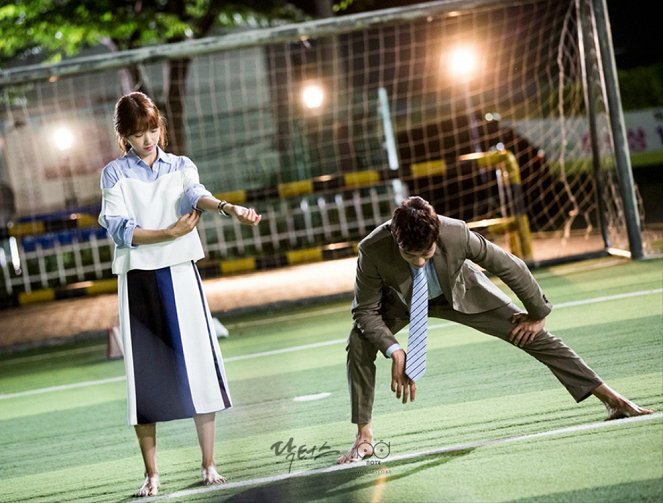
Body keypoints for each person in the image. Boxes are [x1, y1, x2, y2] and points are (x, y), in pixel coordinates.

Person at [337, 196, 653, 464]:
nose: (419, 263)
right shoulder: (373, 249)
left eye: (427, 254)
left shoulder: (456, 233)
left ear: (437, 237)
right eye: (410, 255)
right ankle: (364, 435)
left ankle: (613, 400)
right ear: (395, 238)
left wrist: (537, 313)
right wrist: (395, 349)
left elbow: (510, 265)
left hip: (461, 292)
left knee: (531, 335)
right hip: (399, 304)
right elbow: (364, 310)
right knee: (359, 340)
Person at [98, 92, 261, 496]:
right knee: (145, 377)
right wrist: (167, 232)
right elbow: (119, 227)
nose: (148, 139)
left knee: (201, 366)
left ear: (161, 127)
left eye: (153, 129)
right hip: (137, 279)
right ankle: (152, 474)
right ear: (125, 137)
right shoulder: (114, 174)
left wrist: (228, 208)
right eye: (138, 134)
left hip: (181, 272)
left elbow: (194, 195)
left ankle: (209, 464)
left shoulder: (182, 165)